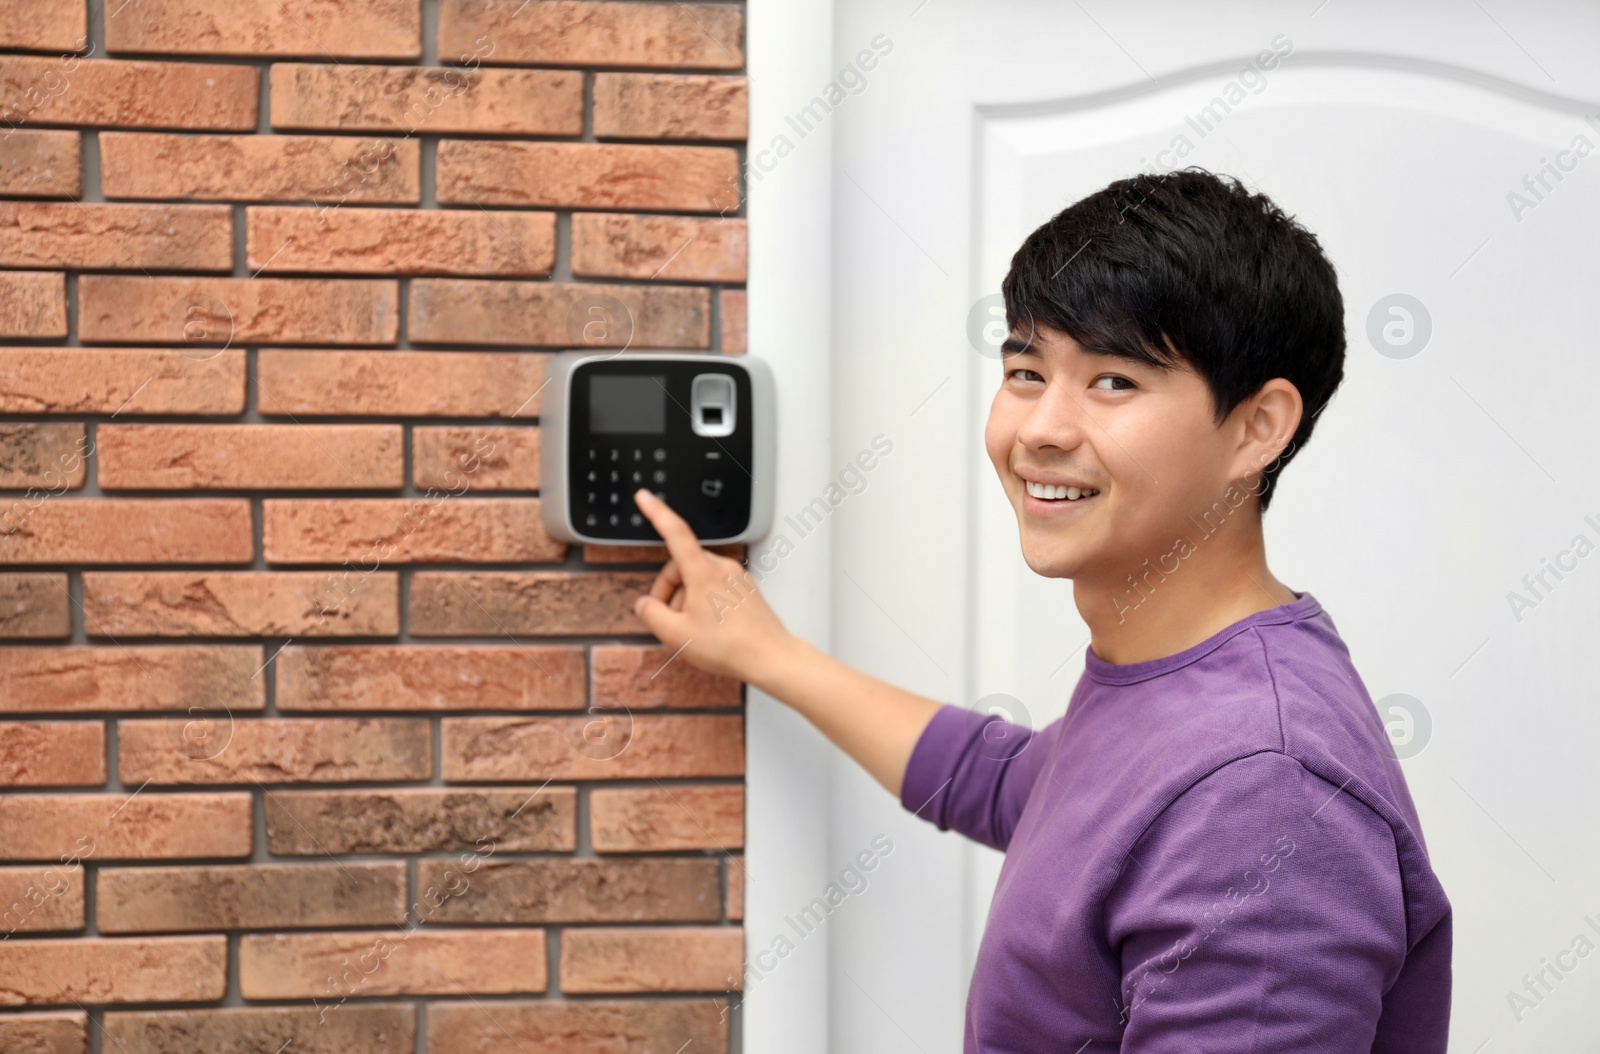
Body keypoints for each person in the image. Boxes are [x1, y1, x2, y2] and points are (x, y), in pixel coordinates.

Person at [629, 166, 1451, 1053]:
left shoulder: (1263, 794)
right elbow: (1012, 783)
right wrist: (767, 652)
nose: (1040, 429)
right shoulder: (1184, 682)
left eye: (1114, 382)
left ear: (1257, 428)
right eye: (1026, 370)